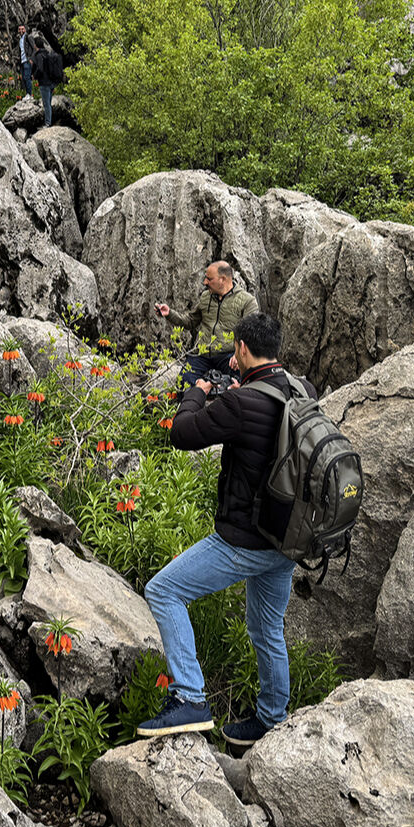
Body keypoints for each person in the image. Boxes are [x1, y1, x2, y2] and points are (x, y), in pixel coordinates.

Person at [136, 313, 317, 747]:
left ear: (240, 349)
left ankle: (190, 698)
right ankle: (272, 718)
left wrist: (197, 394)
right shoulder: (301, 389)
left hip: (245, 539)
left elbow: (181, 434)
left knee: (164, 591)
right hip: (287, 538)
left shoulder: (241, 403)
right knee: (267, 629)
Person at [154, 261, 258, 390]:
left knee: (239, 384)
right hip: (202, 354)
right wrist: (169, 313)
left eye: (209, 279)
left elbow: (252, 332)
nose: (205, 282)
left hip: (229, 356)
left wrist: (239, 355)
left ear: (223, 279)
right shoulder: (205, 297)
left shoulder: (247, 301)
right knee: (184, 384)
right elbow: (190, 321)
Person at [32, 36, 63, 128]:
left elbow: (40, 69)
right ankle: (49, 121)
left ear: (35, 45)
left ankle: (47, 123)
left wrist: (35, 76)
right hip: (51, 82)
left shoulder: (38, 55)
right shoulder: (47, 53)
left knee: (46, 104)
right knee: (48, 103)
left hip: (44, 83)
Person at [17, 25, 37, 97]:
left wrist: (31, 58)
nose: (21, 31)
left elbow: (34, 48)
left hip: (27, 60)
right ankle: (27, 94)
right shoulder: (20, 39)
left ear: (25, 29)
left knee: (27, 77)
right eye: (19, 29)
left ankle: (30, 94)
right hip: (22, 61)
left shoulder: (28, 37)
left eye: (22, 29)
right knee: (24, 79)